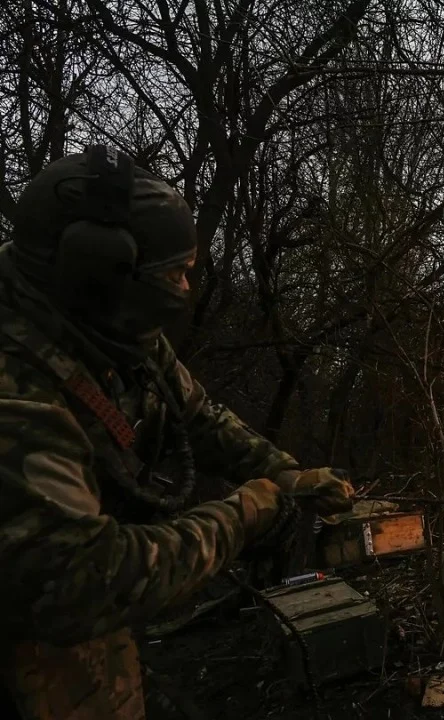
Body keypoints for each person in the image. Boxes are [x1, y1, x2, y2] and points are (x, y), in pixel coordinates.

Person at [0, 146, 356, 719]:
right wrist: (240, 518)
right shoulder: (15, 394)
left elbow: (195, 414)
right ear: (101, 274)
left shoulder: (106, 324)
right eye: (176, 276)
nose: (187, 291)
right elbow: (83, 584)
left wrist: (286, 474)